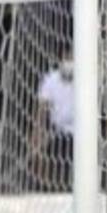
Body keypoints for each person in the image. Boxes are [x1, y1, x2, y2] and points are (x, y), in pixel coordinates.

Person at [34, 53, 76, 190]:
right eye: (68, 58)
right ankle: (45, 187)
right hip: (58, 131)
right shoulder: (51, 79)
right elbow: (42, 106)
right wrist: (38, 130)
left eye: (73, 59)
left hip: (80, 133)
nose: (70, 63)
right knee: (41, 149)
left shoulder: (88, 78)